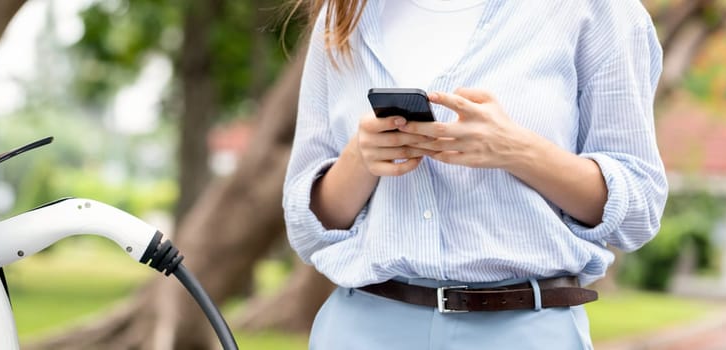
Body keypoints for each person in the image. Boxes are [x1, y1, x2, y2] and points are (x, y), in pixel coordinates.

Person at [282, 0, 667, 348]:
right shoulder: (346, 13)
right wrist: (360, 158)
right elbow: (306, 228)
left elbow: (637, 211)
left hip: (524, 332)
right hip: (362, 328)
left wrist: (517, 150)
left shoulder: (597, 9)